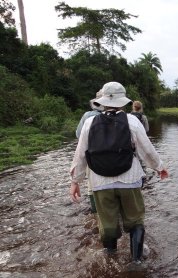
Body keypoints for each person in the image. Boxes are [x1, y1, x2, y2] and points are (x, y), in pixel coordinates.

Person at [69, 81, 168, 263]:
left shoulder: (89, 122)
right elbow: (146, 150)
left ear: (103, 100)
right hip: (129, 180)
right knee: (136, 221)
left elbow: (81, 154)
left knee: (107, 225)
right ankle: (137, 262)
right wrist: (159, 167)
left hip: (100, 182)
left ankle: (110, 259)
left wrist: (75, 181)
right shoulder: (132, 121)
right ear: (123, 102)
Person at [75, 90, 104, 214]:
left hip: (90, 155)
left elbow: (78, 135)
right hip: (107, 156)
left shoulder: (87, 116)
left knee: (91, 184)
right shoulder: (113, 115)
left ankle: (95, 210)